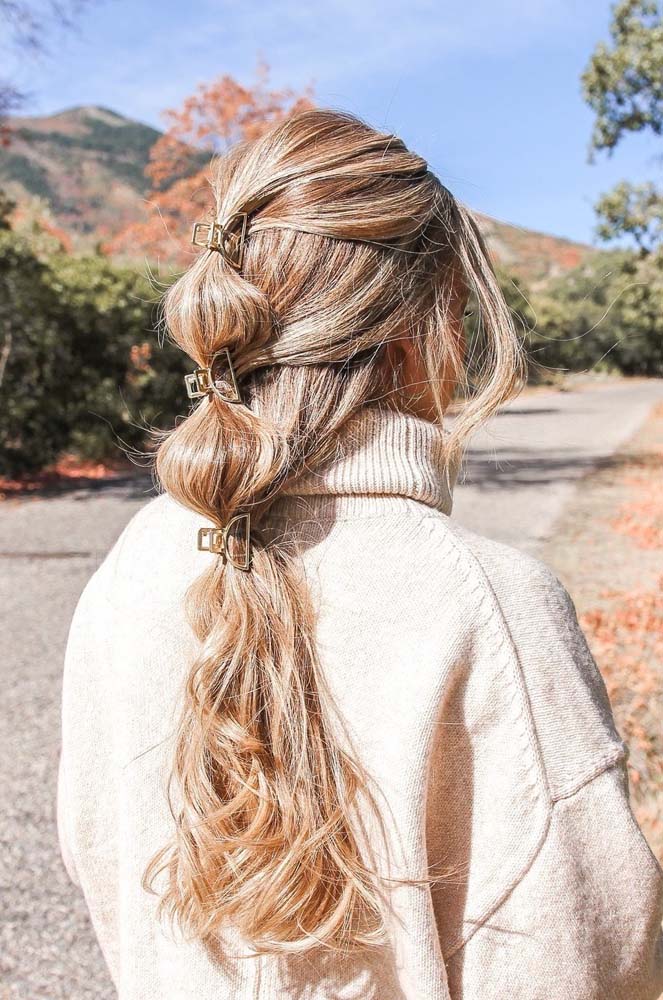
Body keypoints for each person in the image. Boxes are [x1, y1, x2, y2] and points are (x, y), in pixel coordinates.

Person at [57, 109, 663, 1000]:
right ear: (427, 328)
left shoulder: (130, 566)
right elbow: (584, 965)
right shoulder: (491, 607)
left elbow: (105, 868)